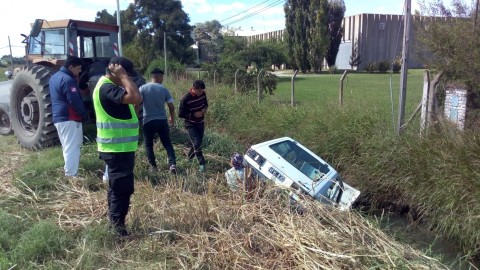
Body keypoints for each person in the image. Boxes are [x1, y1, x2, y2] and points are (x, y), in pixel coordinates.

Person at [92, 56, 142, 236]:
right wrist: (122, 76)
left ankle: (114, 224)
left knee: (117, 188)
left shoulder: (109, 88)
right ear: (117, 71)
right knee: (122, 190)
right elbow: (136, 97)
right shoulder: (106, 88)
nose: (129, 78)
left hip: (119, 149)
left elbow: (132, 105)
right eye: (127, 75)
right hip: (116, 149)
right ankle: (117, 229)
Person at [49, 56, 87, 177]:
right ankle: (72, 175)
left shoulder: (54, 77)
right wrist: (84, 115)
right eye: (78, 68)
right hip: (70, 117)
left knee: (67, 146)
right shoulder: (68, 80)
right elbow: (74, 101)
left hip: (58, 117)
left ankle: (69, 171)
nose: (79, 71)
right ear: (71, 67)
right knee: (73, 147)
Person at [139, 68, 177, 174]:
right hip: (161, 120)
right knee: (167, 143)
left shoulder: (142, 88)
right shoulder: (164, 89)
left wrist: (137, 119)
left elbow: (137, 104)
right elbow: (171, 107)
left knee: (148, 145)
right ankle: (172, 164)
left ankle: (153, 167)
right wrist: (172, 119)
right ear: (159, 77)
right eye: (162, 77)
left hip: (148, 121)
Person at [178, 80, 208, 172]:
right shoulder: (186, 98)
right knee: (196, 143)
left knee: (197, 142)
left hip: (200, 122)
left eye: (202, 91)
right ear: (194, 89)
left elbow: (206, 104)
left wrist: (203, 110)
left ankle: (189, 158)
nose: (201, 93)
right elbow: (180, 114)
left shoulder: (203, 94)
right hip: (190, 123)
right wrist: (193, 115)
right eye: (199, 91)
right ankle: (202, 163)